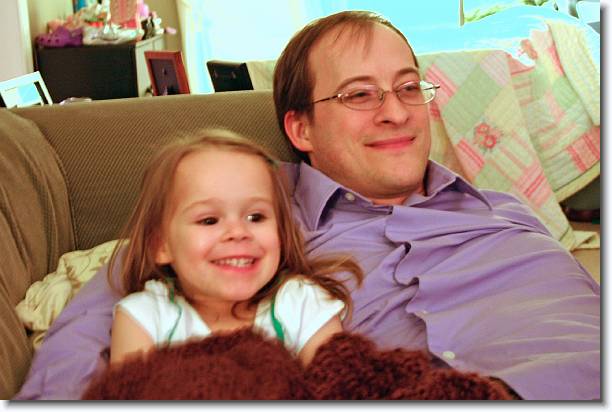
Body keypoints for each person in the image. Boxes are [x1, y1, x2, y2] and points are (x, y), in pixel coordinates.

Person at [16, 11, 599, 400]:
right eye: (360, 94)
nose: (396, 112)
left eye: (407, 87)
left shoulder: (509, 214)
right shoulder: (247, 221)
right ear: (301, 128)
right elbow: (90, 334)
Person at [105, 130, 362, 368]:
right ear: (161, 245)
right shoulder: (145, 316)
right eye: (209, 220)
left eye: (255, 217)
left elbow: (337, 383)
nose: (238, 232)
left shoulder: (302, 302)